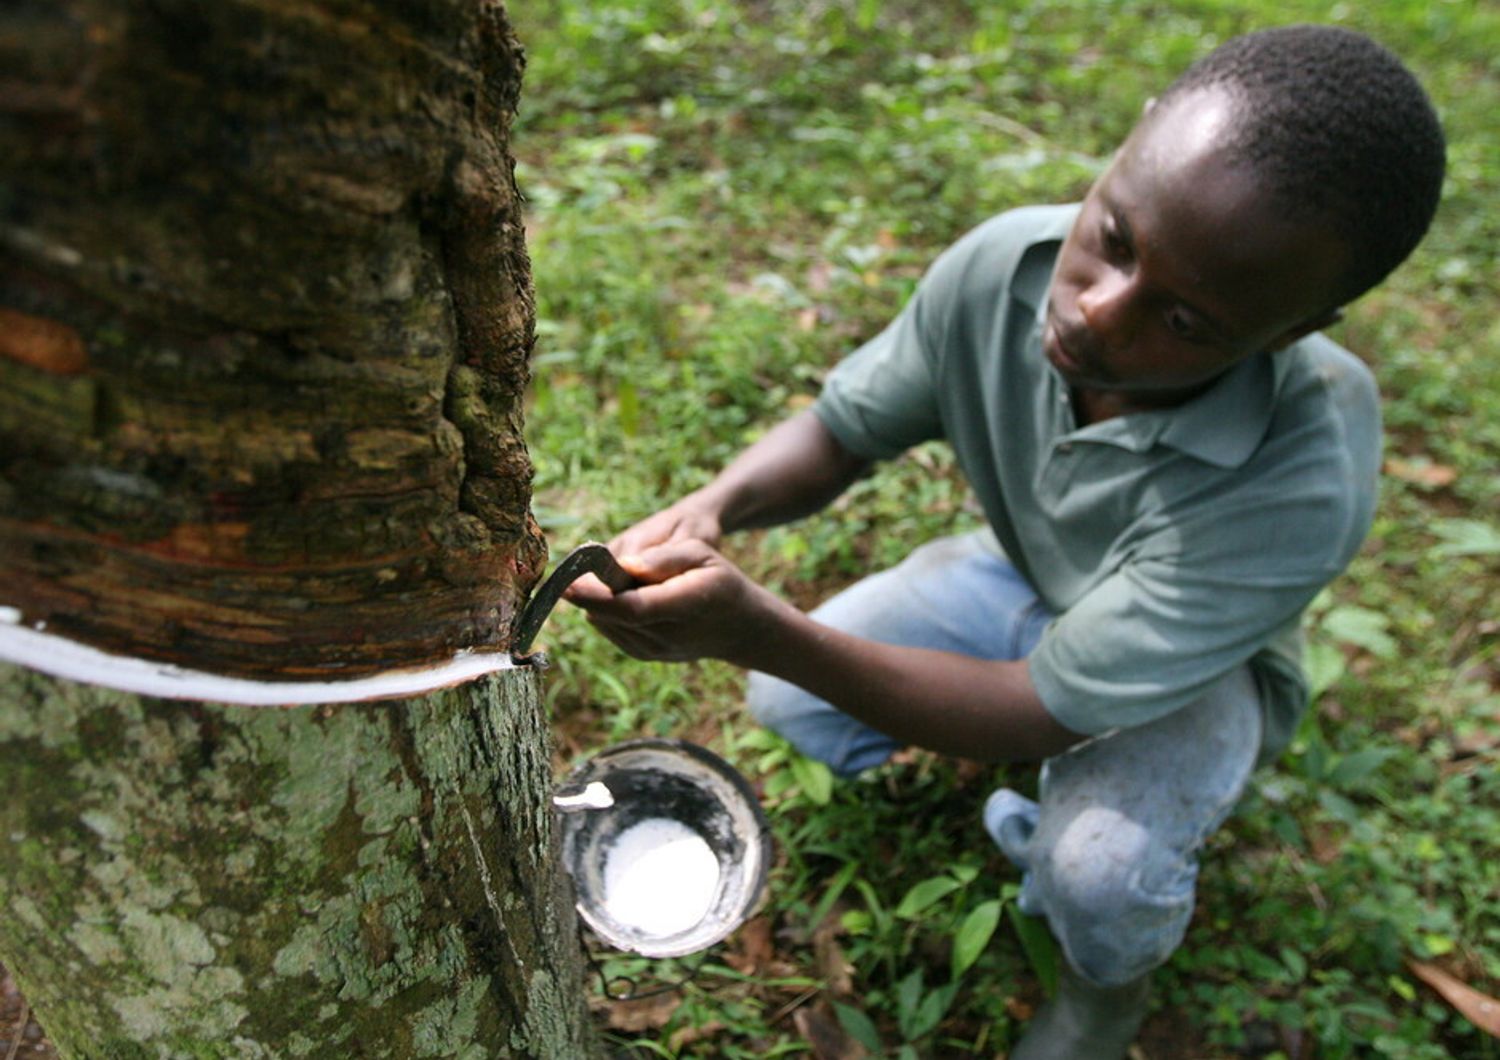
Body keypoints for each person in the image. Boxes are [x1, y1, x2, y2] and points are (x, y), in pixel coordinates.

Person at [566, 25, 1445, 1058]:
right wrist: (716, 507)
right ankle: (1011, 769)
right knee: (791, 699)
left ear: (1295, 329)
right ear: (1135, 140)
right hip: (1033, 581)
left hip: (1198, 675)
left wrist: (757, 624)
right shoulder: (1005, 266)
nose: (1097, 315)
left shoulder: (1302, 476)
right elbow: (843, 433)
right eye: (1114, 236)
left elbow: (1034, 711)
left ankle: (1103, 997)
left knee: (1101, 869)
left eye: (1186, 323)